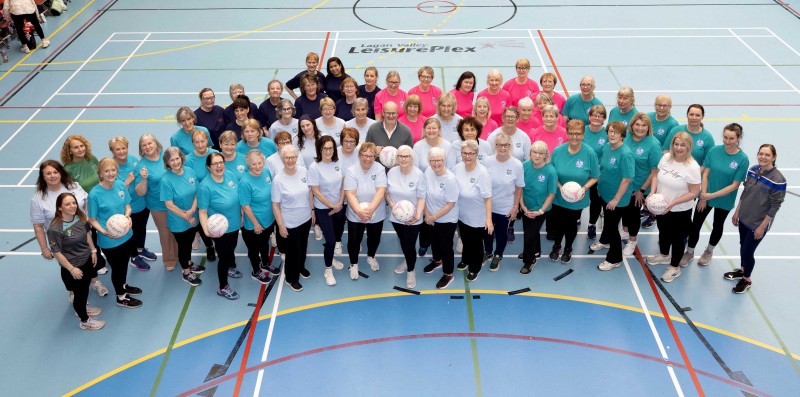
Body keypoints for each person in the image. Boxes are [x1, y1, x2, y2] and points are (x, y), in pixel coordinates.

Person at [31, 160, 109, 300]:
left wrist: (87, 219)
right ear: (42, 176)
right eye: (48, 173)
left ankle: (94, 280)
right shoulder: (38, 199)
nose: (53, 175)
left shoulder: (73, 186)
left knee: (90, 260)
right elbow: (38, 226)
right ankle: (73, 291)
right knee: (69, 268)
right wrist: (44, 248)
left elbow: (86, 202)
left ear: (61, 173)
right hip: (63, 242)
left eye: (55, 172)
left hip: (83, 233)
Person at [681, 123, 749, 267]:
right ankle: (689, 252)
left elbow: (734, 185)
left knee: (718, 225)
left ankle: (709, 251)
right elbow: (705, 173)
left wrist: (710, 196)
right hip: (706, 195)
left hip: (724, 199)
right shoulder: (714, 151)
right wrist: (703, 195)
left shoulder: (743, 159)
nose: (727, 141)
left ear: (738, 138)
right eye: (725, 137)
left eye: (731, 138)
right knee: (696, 224)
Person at [725, 144, 785, 293]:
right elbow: (745, 192)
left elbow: (774, 207)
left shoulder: (778, 180)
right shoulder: (753, 170)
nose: (763, 157)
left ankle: (746, 279)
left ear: (774, 157)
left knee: (747, 251)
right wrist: (737, 212)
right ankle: (742, 270)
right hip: (744, 218)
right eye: (761, 154)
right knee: (742, 245)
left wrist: (762, 227)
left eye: (767, 155)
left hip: (758, 224)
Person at [646, 132, 701, 283]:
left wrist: (673, 203)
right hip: (661, 207)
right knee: (663, 232)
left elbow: (694, 192)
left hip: (680, 210)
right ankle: (664, 255)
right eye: (676, 144)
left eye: (683, 145)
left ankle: (674, 267)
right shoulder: (665, 158)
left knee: (678, 239)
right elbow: (656, 176)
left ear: (689, 147)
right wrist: (652, 193)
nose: (678, 148)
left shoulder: (692, 167)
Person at [87, 158, 143, 308]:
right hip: (110, 240)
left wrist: (127, 216)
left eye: (113, 170)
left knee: (124, 265)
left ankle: (123, 286)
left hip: (127, 234)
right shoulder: (94, 194)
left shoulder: (120, 185)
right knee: (117, 268)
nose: (110, 173)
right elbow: (92, 219)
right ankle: (121, 297)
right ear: (100, 173)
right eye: (106, 171)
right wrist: (104, 232)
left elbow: (127, 206)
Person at [48, 193, 105, 330]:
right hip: (73, 267)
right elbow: (57, 252)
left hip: (86, 260)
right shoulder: (55, 229)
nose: (72, 206)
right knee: (79, 294)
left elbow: (87, 235)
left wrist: (93, 251)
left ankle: (84, 306)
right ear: (59, 208)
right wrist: (72, 269)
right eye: (67, 204)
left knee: (84, 290)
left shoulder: (80, 218)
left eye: (73, 203)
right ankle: (85, 321)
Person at [549, 120, 600, 263]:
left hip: (577, 198)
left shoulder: (589, 153)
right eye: (571, 133)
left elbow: (595, 176)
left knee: (571, 224)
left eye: (578, 133)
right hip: (559, 196)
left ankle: (568, 248)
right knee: (558, 223)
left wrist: (583, 188)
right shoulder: (558, 151)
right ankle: (557, 246)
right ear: (567, 133)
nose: (574, 137)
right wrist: (560, 187)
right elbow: (552, 174)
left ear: (583, 134)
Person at [590, 122, 635, 271]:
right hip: (605, 192)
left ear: (622, 135)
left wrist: (616, 199)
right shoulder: (607, 147)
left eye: (616, 132)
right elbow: (602, 167)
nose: (612, 134)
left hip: (617, 198)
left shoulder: (626, 154)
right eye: (610, 131)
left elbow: (627, 179)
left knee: (612, 226)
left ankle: (614, 258)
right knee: (608, 221)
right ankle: (604, 240)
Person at [198, 152, 243, 299]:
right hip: (220, 230)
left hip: (234, 223)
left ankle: (229, 268)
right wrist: (206, 231)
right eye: (215, 164)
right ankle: (223, 287)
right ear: (208, 167)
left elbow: (239, 197)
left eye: (221, 162)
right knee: (223, 257)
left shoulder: (230, 175)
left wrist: (242, 215)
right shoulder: (205, 187)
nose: (219, 166)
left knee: (231, 249)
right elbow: (202, 212)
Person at [109, 136, 158, 269]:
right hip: (127, 209)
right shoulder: (111, 167)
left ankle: (141, 249)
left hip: (142, 203)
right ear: (112, 151)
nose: (121, 151)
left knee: (141, 229)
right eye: (117, 149)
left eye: (124, 148)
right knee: (130, 234)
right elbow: (113, 194)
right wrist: (127, 181)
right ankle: (134, 257)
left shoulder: (133, 160)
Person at [61, 134, 108, 272]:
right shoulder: (68, 169)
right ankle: (97, 263)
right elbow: (70, 194)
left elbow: (101, 177)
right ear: (69, 151)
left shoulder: (92, 159)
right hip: (85, 209)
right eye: (76, 147)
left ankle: (107, 254)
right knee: (91, 235)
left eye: (82, 146)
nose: (80, 149)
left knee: (104, 230)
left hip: (101, 202)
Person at [160, 147, 205, 287]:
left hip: (193, 216)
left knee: (190, 241)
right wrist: (187, 216)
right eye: (171, 160)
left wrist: (193, 210)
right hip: (179, 221)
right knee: (184, 246)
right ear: (167, 163)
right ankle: (186, 272)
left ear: (181, 158)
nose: (175, 162)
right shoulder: (166, 180)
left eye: (177, 158)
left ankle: (189, 263)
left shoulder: (189, 171)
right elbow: (169, 205)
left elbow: (197, 192)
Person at [272, 145, 314, 291]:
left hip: (305, 218)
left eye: (293, 157)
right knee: (292, 252)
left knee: (303, 246)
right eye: (287, 158)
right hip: (290, 222)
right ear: (282, 159)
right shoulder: (278, 179)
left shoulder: (304, 172)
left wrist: (313, 211)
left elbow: (310, 192)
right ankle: (291, 278)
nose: (290, 160)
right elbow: (275, 205)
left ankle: (301, 267)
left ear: (297, 157)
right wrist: (281, 226)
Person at [134, 133, 179, 270]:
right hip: (158, 205)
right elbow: (140, 192)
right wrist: (144, 179)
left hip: (175, 201)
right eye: (144, 145)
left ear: (156, 143)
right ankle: (169, 260)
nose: (148, 147)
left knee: (178, 230)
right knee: (165, 233)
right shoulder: (141, 166)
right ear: (141, 149)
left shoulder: (166, 156)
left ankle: (180, 255)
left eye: (150, 143)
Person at [619, 113, 662, 256]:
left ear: (648, 127)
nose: (640, 128)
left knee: (633, 214)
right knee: (625, 210)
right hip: (625, 184)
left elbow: (654, 172)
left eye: (644, 125)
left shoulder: (653, 144)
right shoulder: (626, 137)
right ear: (632, 125)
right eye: (637, 124)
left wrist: (641, 191)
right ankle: (625, 231)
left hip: (640, 186)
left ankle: (632, 240)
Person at [344, 143, 387, 279]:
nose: (368, 159)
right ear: (359, 155)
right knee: (354, 240)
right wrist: (359, 211)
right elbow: (350, 193)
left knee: (374, 238)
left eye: (371, 156)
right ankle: (353, 264)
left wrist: (370, 210)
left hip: (376, 211)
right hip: (355, 212)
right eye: (365, 155)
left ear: (375, 157)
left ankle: (371, 256)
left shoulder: (380, 168)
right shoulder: (351, 170)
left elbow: (381, 190)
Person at [386, 145, 426, 288]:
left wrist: (417, 215)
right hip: (396, 216)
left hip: (413, 218)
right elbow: (387, 192)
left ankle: (411, 270)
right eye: (401, 156)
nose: (403, 159)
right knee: (404, 242)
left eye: (406, 156)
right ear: (397, 158)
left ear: (412, 158)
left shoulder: (419, 174)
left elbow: (421, 197)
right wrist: (393, 206)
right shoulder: (391, 172)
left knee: (409, 244)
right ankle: (408, 260)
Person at [309, 136, 346, 286]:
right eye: (325, 148)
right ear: (320, 149)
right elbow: (316, 191)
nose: (328, 151)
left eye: (330, 148)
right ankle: (328, 270)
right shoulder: (314, 167)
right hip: (324, 209)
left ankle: (331, 258)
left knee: (336, 237)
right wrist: (331, 205)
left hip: (338, 206)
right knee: (330, 241)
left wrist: (340, 203)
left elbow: (343, 183)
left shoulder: (338, 162)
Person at [482, 134, 523, 271]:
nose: (502, 148)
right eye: (499, 145)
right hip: (487, 205)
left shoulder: (517, 165)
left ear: (510, 146)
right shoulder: (487, 161)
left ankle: (498, 254)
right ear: (495, 146)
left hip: (504, 206)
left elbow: (519, 187)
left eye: (505, 145)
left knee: (500, 233)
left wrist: (515, 207)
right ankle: (488, 252)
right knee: (486, 232)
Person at [422, 148, 459, 289]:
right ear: (429, 161)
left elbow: (450, 204)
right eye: (433, 160)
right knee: (434, 241)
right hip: (430, 217)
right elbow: (423, 195)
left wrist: (433, 217)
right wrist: (427, 215)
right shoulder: (428, 172)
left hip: (446, 219)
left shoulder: (450, 179)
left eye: (439, 160)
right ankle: (437, 261)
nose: (436, 163)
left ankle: (448, 273)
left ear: (444, 160)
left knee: (446, 246)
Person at [239, 150, 278, 285]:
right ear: (248, 165)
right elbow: (245, 206)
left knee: (264, 243)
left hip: (268, 218)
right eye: (253, 164)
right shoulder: (245, 182)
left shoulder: (266, 171)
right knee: (254, 249)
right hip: (254, 223)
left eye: (259, 163)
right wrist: (255, 224)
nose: (257, 167)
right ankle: (256, 271)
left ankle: (265, 263)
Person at [520, 141, 557, 274]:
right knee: (531, 231)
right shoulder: (524, 166)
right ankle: (535, 251)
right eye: (534, 152)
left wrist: (540, 211)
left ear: (545, 155)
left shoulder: (550, 171)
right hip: (526, 207)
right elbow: (519, 188)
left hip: (541, 209)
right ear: (530, 153)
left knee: (529, 235)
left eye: (541, 153)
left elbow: (551, 194)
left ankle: (529, 260)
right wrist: (522, 206)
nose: (537, 155)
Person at [184, 130, 218, 261]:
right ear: (192, 143)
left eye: (203, 141)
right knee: (201, 222)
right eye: (196, 142)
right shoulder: (188, 160)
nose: (200, 145)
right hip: (198, 197)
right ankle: (209, 245)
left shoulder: (215, 154)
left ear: (207, 140)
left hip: (215, 195)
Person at [584, 104, 608, 239]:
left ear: (604, 118)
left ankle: (592, 224)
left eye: (600, 116)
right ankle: (577, 218)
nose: (596, 118)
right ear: (589, 117)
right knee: (578, 196)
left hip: (597, 174)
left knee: (595, 200)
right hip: (581, 171)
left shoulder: (607, 134)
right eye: (594, 115)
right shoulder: (582, 131)